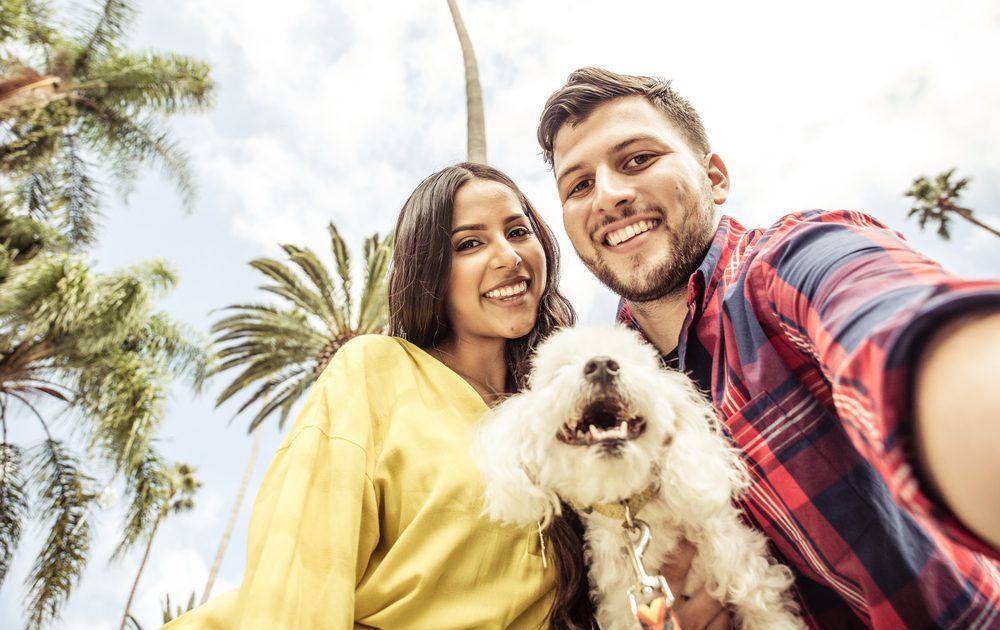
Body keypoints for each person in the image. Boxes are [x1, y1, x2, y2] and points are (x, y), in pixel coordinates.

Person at [536, 67, 1000, 629]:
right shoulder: (594, 391)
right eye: (579, 185)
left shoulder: (792, 263)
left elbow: (894, 325)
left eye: (636, 159)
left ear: (715, 178)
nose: (609, 195)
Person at [164, 162, 578, 628]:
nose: (508, 256)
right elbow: (305, 562)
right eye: (469, 244)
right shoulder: (376, 371)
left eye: (518, 231)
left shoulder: (565, 412)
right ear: (431, 271)